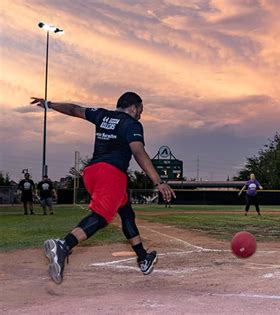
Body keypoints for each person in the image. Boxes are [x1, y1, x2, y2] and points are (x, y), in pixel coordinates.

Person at [30, 92, 176, 284]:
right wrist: (158, 181)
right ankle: (63, 245)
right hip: (111, 174)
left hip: (92, 173)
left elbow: (75, 109)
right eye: (140, 110)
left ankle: (143, 257)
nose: (140, 115)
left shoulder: (101, 115)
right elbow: (138, 151)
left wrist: (50, 104)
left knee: (126, 213)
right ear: (133, 107)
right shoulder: (132, 124)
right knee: (101, 217)